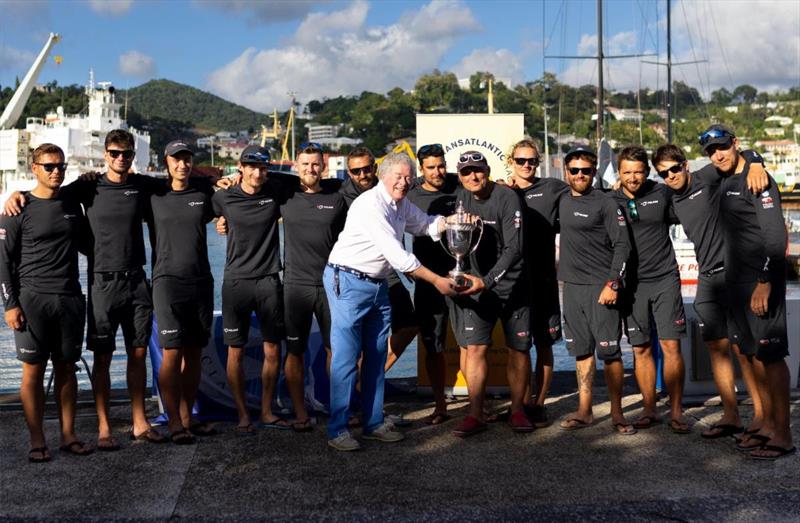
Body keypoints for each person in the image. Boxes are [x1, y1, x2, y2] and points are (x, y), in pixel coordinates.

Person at [3, 130, 169, 448]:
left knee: (132, 356)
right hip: (94, 286)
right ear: (105, 154)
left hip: (128, 283)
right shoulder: (84, 188)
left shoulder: (138, 187)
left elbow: (178, 187)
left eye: (127, 153)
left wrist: (224, 194)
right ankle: (96, 430)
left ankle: (136, 422)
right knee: (96, 359)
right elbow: (42, 201)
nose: (121, 158)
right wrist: (17, 194)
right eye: (114, 153)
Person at [324, 152, 456, 451]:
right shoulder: (371, 205)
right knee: (346, 358)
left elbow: (424, 225)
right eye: (399, 176)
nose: (405, 181)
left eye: (409, 176)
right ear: (383, 176)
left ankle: (372, 423)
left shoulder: (400, 203)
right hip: (347, 281)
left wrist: (452, 222)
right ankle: (337, 429)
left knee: (375, 354)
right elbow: (399, 256)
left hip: (377, 284)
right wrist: (437, 281)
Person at [652, 143, 767, 440]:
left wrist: (755, 162)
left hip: (734, 273)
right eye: (664, 173)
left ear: (685, 165)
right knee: (716, 347)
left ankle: (760, 414)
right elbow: (637, 194)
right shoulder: (668, 197)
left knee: (743, 348)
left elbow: (735, 158)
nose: (671, 176)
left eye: (675, 168)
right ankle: (731, 415)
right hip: (707, 278)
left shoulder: (707, 177)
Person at [707, 124, 795, 460]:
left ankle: (783, 434)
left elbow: (775, 238)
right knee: (751, 354)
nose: (718, 154)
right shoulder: (725, 177)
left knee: (771, 357)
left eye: (723, 148)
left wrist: (765, 280)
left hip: (759, 282)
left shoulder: (759, 180)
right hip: (736, 283)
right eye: (712, 151)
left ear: (735, 144)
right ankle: (765, 422)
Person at [0, 143, 92, 461]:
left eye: (61, 167)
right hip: (31, 300)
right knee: (33, 371)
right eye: (50, 166)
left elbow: (90, 245)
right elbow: (3, 261)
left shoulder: (71, 204)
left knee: (67, 369)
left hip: (68, 298)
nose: (56, 172)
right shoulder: (17, 209)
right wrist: (9, 304)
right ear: (34, 168)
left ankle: (68, 435)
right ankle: (37, 439)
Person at [447, 151, 533, 437]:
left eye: (478, 170)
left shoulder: (507, 198)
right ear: (459, 175)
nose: (473, 176)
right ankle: (475, 413)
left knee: (518, 350)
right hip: (476, 286)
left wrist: (487, 281)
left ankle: (518, 410)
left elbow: (515, 249)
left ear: (487, 169)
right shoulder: (461, 197)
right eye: (466, 172)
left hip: (511, 287)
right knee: (475, 349)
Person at [610, 145, 690, 433]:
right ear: (619, 173)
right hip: (632, 285)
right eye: (627, 172)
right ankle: (649, 409)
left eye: (638, 171)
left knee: (671, 345)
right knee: (640, 348)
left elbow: (693, 202)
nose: (633, 177)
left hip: (665, 278)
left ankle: (677, 411)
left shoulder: (661, 192)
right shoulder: (610, 199)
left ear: (647, 172)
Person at [557, 147, 635, 435]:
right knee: (581, 351)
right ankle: (585, 410)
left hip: (602, 288)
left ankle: (617, 413)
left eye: (586, 170)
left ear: (594, 172)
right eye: (574, 170)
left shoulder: (605, 202)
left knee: (610, 353)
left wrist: (613, 283)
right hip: (572, 288)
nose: (580, 175)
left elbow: (623, 245)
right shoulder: (561, 198)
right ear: (567, 172)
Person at [212, 145, 288, 434]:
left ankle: (267, 411)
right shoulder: (223, 197)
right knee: (236, 352)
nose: (258, 173)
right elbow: (207, 210)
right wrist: (221, 222)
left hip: (269, 280)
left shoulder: (275, 191)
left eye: (263, 167)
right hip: (236, 283)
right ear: (240, 167)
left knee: (272, 349)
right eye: (251, 166)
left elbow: (303, 180)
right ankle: (243, 414)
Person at [341, 147, 418, 426]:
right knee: (355, 343)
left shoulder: (394, 186)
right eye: (356, 170)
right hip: (354, 273)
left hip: (388, 269)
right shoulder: (340, 194)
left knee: (409, 325)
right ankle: (356, 406)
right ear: (349, 172)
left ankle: (367, 384)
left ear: (376, 168)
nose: (363, 174)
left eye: (367, 168)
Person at [147, 141, 217, 444]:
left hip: (201, 282)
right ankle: (173, 419)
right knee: (172, 354)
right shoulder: (153, 195)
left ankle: (188, 416)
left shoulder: (204, 194)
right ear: (167, 162)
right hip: (167, 283)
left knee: (194, 354)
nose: (182, 165)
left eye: (187, 159)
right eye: (176, 159)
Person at [280, 143, 347, 431]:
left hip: (331, 285)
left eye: (315, 164)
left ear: (324, 166)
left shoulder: (337, 197)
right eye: (305, 164)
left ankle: (338, 409)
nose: (310, 169)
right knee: (295, 351)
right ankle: (300, 413)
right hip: (295, 286)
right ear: (297, 166)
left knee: (337, 350)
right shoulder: (284, 195)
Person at [507, 137, 568, 427]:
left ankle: (538, 404)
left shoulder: (553, 188)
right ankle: (518, 405)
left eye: (532, 160)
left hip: (544, 281)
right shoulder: (502, 193)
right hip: (515, 283)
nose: (527, 165)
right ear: (511, 162)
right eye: (521, 161)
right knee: (517, 348)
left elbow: (586, 192)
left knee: (545, 344)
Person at [406, 143, 458, 424]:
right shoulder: (410, 194)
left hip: (461, 277)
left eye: (441, 165)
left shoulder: (458, 183)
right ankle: (440, 405)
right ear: (421, 169)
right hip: (428, 281)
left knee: (474, 345)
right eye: (431, 167)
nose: (438, 172)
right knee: (433, 345)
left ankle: (478, 403)